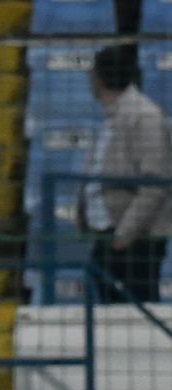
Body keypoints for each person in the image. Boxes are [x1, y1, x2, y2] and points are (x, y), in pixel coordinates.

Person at [79, 45, 172, 304]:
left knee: (136, 311)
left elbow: (155, 184)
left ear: (100, 78)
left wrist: (125, 234)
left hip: (135, 239)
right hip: (112, 234)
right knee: (112, 309)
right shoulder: (115, 116)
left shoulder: (145, 117)